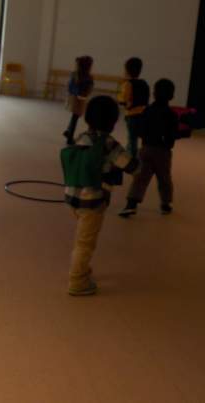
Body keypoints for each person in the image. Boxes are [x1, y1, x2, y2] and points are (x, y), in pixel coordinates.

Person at [61, 95, 139, 296]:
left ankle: (83, 270)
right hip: (92, 202)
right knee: (85, 243)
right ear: (113, 122)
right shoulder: (109, 144)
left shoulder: (80, 137)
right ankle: (77, 282)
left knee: (82, 236)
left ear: (87, 119)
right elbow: (133, 167)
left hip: (72, 197)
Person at [119, 79, 179, 218]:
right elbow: (173, 135)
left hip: (146, 149)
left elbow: (140, 130)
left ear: (154, 93)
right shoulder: (172, 115)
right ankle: (166, 203)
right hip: (163, 152)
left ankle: (131, 204)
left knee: (140, 178)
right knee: (164, 179)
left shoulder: (147, 111)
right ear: (171, 96)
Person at [118, 57, 150, 158]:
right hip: (143, 114)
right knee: (135, 137)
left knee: (132, 138)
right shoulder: (144, 83)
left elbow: (123, 99)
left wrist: (120, 97)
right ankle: (131, 153)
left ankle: (132, 157)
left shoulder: (127, 84)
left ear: (127, 71)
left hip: (131, 115)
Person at [63, 55, 94, 145]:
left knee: (74, 116)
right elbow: (89, 88)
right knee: (75, 118)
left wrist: (75, 93)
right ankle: (69, 137)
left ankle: (68, 131)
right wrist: (82, 93)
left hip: (73, 98)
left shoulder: (74, 74)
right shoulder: (88, 76)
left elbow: (69, 87)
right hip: (80, 99)